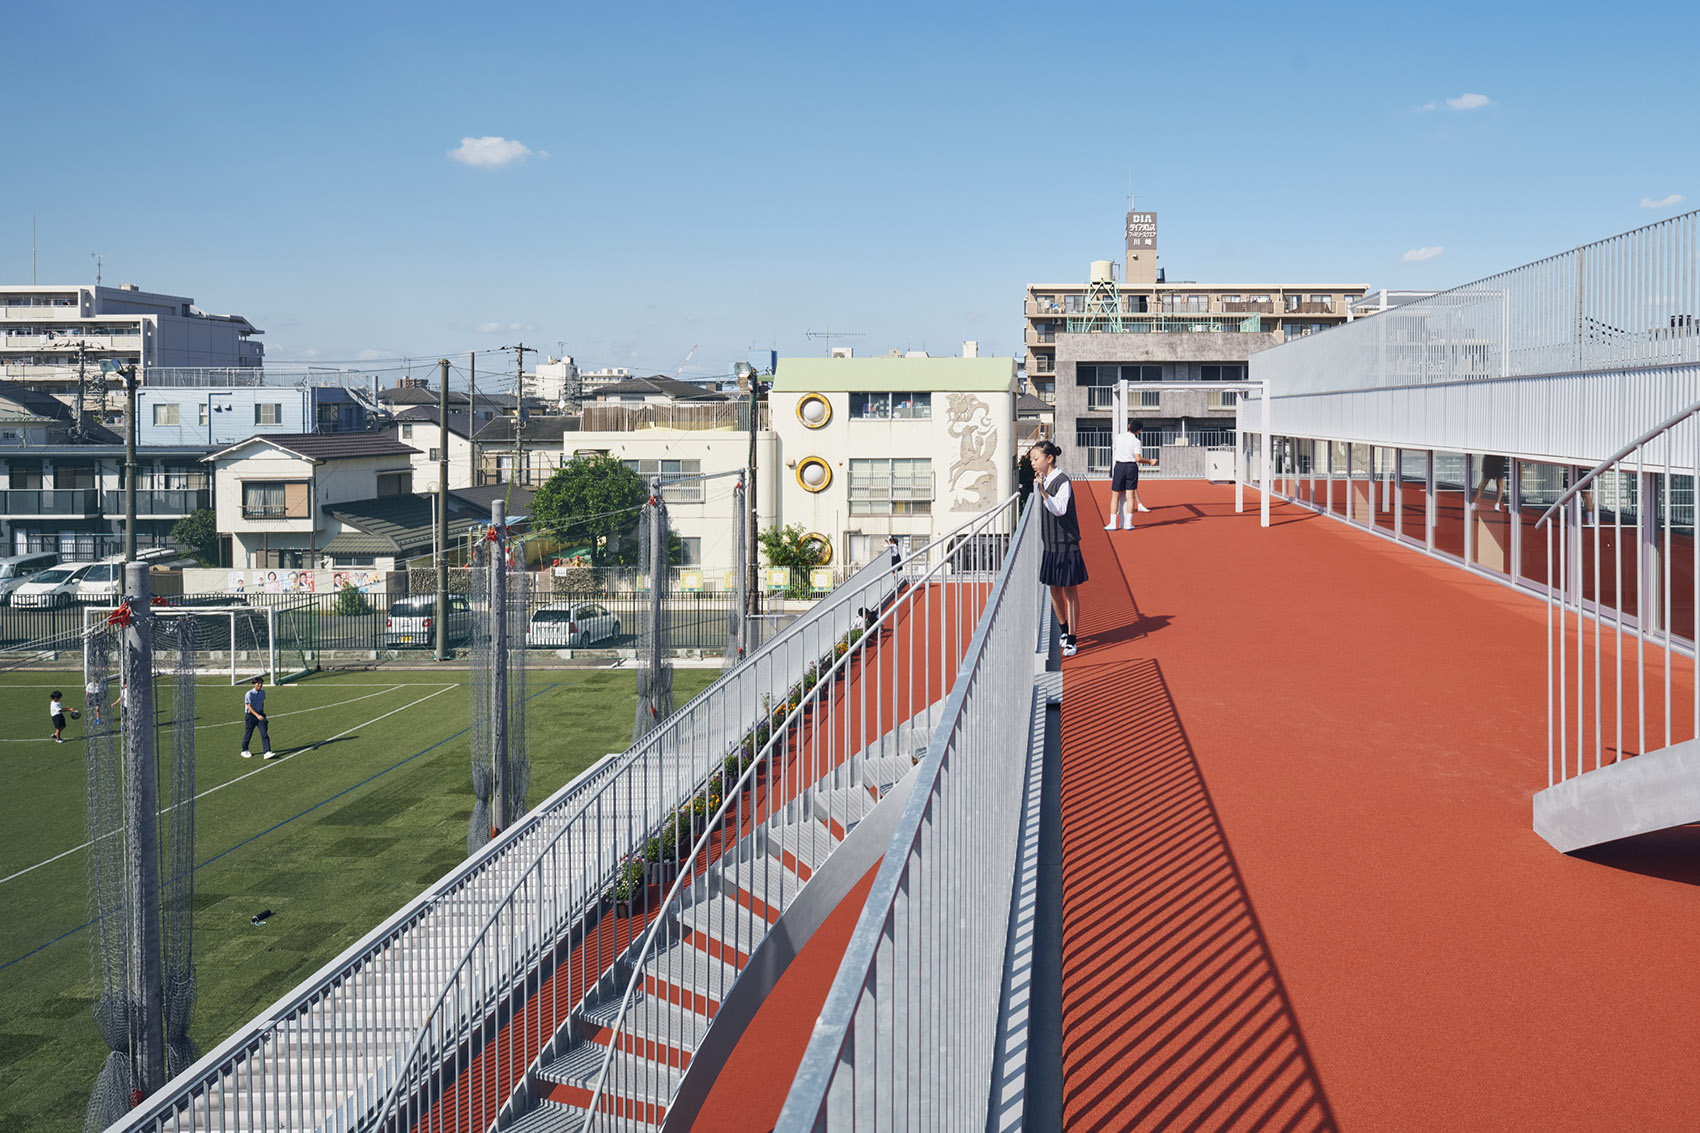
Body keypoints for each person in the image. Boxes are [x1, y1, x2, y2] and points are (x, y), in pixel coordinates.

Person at [1029, 440, 1088, 657]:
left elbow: (1060, 509)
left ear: (1049, 458)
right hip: (1050, 545)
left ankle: (1072, 638)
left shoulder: (1063, 481)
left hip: (1067, 543)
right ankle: (1063, 629)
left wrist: (1043, 492)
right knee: (1054, 589)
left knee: (1070, 592)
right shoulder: (1043, 480)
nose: (1033, 464)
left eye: (1036, 459)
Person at [1105, 418, 1158, 530]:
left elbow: (1114, 448)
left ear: (1129, 426)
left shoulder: (1118, 437)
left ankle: (1113, 523)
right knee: (1130, 496)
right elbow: (1138, 458)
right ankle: (1128, 523)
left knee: (1115, 496)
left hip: (1119, 466)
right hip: (1131, 467)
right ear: (1138, 431)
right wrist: (1150, 461)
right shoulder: (1136, 441)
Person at [242, 676, 275, 760]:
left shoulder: (263, 692)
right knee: (248, 734)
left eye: (261, 683)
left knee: (264, 733)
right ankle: (244, 750)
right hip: (251, 716)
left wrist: (262, 713)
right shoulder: (249, 694)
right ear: (253, 684)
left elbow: (262, 702)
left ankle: (267, 751)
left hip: (260, 715)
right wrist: (257, 715)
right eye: (258, 683)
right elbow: (249, 707)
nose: (260, 685)